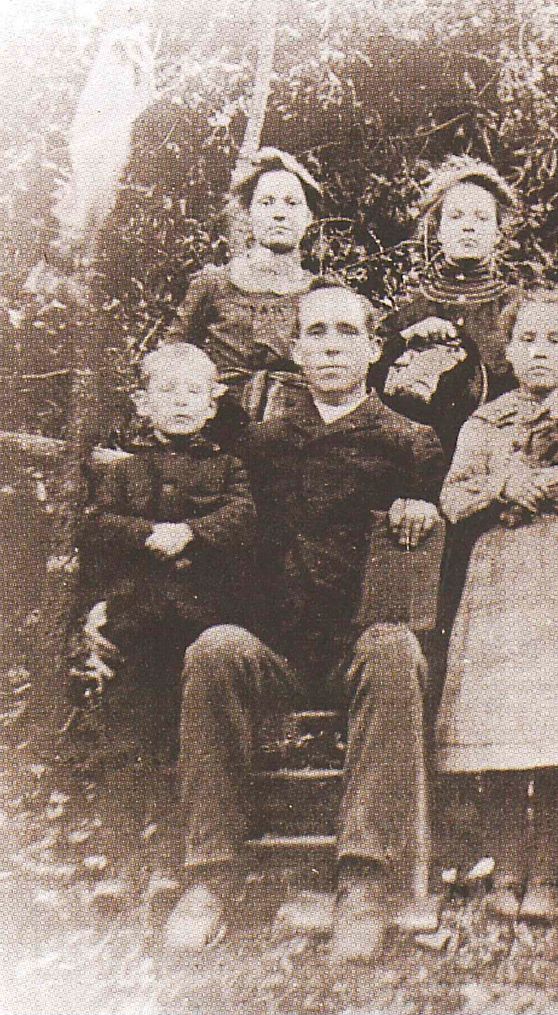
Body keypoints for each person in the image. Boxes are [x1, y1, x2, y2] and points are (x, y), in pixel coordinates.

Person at [162, 281, 444, 963]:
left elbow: (439, 551)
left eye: (347, 331)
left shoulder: (413, 442)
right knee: (213, 649)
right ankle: (210, 875)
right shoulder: (257, 445)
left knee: (395, 648)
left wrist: (423, 510)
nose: (330, 346)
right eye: (316, 331)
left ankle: (363, 879)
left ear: (374, 348)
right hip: (280, 647)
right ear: (294, 348)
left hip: (363, 643)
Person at [434, 287, 558, 925]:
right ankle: (507, 860)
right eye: (528, 340)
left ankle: (548, 866)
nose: (540, 352)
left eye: (555, 341)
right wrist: (500, 484)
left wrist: (538, 484)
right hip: (502, 588)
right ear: (510, 349)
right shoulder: (484, 423)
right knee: (503, 728)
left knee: (557, 724)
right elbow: (454, 499)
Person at [76, 344, 255, 726]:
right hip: (139, 615)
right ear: (143, 403)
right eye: (168, 391)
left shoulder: (228, 466)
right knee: (133, 714)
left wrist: (192, 532)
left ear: (210, 407)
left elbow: (242, 516)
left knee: (204, 709)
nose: (181, 402)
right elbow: (97, 524)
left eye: (193, 392)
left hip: (205, 612)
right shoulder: (123, 470)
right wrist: (147, 533)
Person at [165, 148, 323, 443]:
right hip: (217, 434)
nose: (279, 213)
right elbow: (171, 358)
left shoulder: (322, 293)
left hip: (298, 438)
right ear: (250, 214)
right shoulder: (213, 284)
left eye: (292, 203)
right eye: (266, 202)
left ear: (309, 217)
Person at [374, 155, 518, 457]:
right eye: (456, 217)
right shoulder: (407, 314)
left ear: (498, 232)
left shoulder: (518, 310)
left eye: (481, 218)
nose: (468, 227)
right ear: (437, 230)